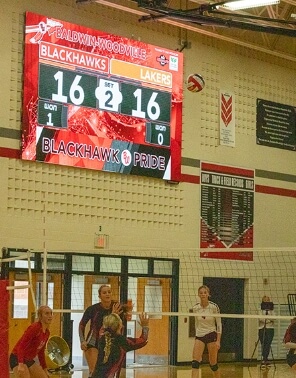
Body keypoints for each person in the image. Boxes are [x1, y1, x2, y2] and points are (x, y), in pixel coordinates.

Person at [79, 284, 123, 378]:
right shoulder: (92, 309)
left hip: (108, 344)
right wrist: (82, 340)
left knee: (107, 374)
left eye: (109, 292)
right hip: (93, 343)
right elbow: (81, 325)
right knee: (94, 372)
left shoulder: (117, 308)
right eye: (104, 292)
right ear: (99, 296)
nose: (107, 294)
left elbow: (118, 325)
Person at [92, 312, 149, 378]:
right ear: (120, 326)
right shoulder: (123, 342)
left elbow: (105, 328)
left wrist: (113, 314)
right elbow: (143, 341)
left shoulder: (101, 338)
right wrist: (145, 326)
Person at [9, 305, 53, 378]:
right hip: (17, 357)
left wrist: (44, 368)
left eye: (51, 313)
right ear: (40, 316)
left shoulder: (47, 332)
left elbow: (41, 352)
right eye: (47, 313)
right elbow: (21, 346)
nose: (50, 316)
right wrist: (20, 364)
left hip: (28, 359)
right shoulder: (35, 327)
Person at [191, 285, 222, 378]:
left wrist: (218, 341)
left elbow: (219, 325)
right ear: (198, 295)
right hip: (200, 335)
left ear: (208, 294)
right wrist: (196, 336)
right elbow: (196, 323)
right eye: (201, 293)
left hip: (211, 334)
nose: (203, 294)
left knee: (213, 364)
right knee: (195, 363)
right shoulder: (195, 308)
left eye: (205, 292)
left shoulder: (214, 307)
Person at [258, 295, 275, 369]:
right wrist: (269, 320)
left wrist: (266, 320)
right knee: (263, 344)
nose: (267, 301)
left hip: (270, 328)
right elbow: (260, 319)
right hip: (261, 328)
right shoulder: (260, 310)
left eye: (268, 300)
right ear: (263, 301)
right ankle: (265, 360)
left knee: (268, 343)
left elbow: (274, 318)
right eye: (265, 300)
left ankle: (265, 360)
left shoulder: (272, 310)